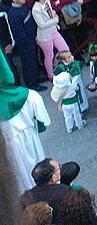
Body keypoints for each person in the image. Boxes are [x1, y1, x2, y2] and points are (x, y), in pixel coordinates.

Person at [0, 49, 51, 194]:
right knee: (39, 169)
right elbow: (44, 120)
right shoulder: (29, 95)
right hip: (30, 138)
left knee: (20, 177)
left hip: (9, 147)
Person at [7, 0, 43, 91]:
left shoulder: (22, 7)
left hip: (32, 39)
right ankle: (32, 84)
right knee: (28, 63)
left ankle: (36, 79)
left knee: (34, 60)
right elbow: (19, 33)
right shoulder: (13, 14)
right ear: (14, 0)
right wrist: (28, 41)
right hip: (26, 43)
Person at [30, 0, 70, 80]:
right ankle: (51, 75)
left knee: (64, 48)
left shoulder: (47, 2)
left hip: (53, 30)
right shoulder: (35, 9)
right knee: (49, 55)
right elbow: (42, 24)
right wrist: (55, 20)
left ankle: (56, 66)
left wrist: (53, 15)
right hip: (44, 36)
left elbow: (50, 13)